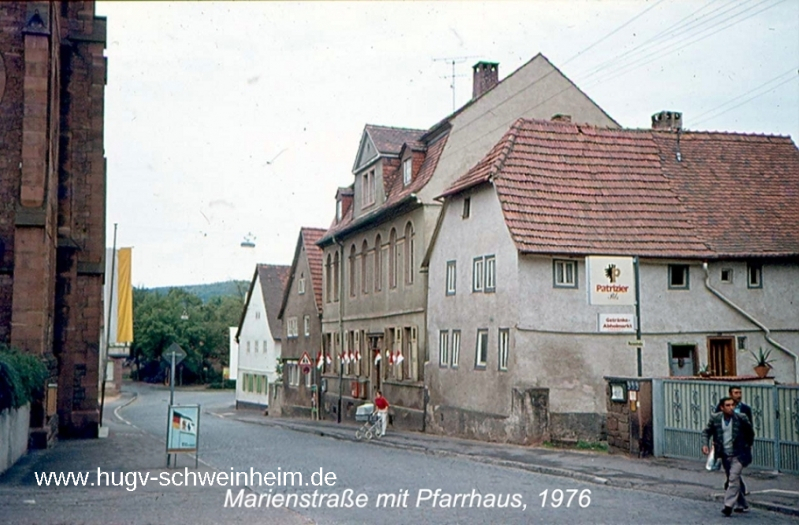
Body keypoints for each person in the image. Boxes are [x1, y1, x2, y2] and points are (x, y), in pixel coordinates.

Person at [702, 396, 755, 517]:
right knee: (733, 479)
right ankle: (742, 503)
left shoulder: (741, 418)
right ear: (722, 407)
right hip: (725, 454)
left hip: (739, 454)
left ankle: (728, 506)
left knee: (733, 478)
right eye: (728, 405)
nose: (731, 408)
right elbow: (706, 432)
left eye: (733, 405)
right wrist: (705, 444)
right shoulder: (716, 418)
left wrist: (747, 446)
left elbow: (750, 432)